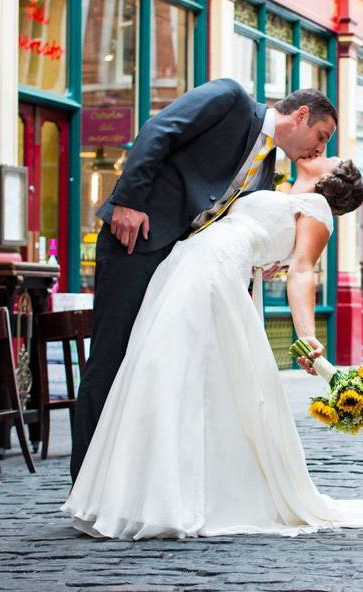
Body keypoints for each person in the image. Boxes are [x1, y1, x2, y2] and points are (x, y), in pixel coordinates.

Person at [62, 156, 363, 539]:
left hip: (212, 271)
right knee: (161, 371)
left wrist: (308, 337)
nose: (322, 148)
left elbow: (302, 272)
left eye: (329, 153)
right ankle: (143, 493)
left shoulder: (316, 210)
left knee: (170, 370)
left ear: (332, 179)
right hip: (195, 263)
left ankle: (164, 499)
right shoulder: (281, 190)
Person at [70, 80, 337, 482]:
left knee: (153, 369)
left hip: (182, 271)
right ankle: (85, 484)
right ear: (301, 115)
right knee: (111, 359)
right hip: (137, 242)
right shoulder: (230, 99)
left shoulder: (265, 170)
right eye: (321, 135)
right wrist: (128, 200)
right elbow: (159, 130)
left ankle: (132, 481)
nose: (321, 149)